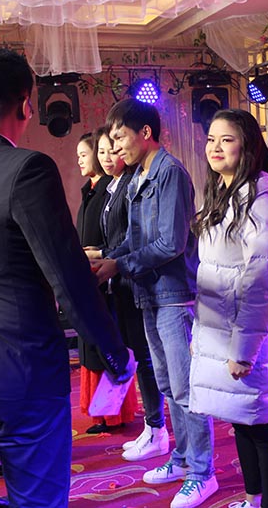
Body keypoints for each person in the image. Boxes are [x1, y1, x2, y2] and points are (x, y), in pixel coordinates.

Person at [0, 46, 134, 508]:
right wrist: (115, 353)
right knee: (37, 499)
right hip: (19, 369)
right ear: (26, 106)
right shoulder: (28, 169)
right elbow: (67, 276)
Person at [92, 98, 218, 508]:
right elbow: (134, 238)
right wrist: (109, 258)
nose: (115, 147)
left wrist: (119, 264)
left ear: (145, 133)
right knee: (167, 384)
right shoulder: (138, 176)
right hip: (149, 292)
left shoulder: (170, 173)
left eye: (120, 138)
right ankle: (181, 458)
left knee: (185, 388)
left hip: (174, 295)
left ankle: (203, 473)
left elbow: (170, 243)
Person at [189, 109, 268, 508]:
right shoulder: (224, 193)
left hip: (249, 336)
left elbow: (260, 281)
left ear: (248, 146)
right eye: (211, 139)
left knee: (261, 427)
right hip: (224, 332)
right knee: (242, 421)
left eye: (227, 139)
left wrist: (243, 349)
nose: (215, 147)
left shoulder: (262, 197)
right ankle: (253, 500)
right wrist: (203, 336)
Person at [84, 126, 168, 461]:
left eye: (115, 146)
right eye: (103, 150)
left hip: (136, 279)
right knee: (142, 357)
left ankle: (158, 428)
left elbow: (145, 239)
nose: (110, 155)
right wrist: (105, 256)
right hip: (121, 277)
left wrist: (107, 257)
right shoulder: (113, 186)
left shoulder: (146, 179)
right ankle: (153, 426)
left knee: (148, 359)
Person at [73, 131, 137, 434]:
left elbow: (121, 237)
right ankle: (103, 412)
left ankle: (115, 413)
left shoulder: (114, 190)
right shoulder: (96, 190)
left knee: (112, 347)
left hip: (113, 276)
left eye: (85, 154)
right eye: (98, 152)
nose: (104, 157)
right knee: (94, 347)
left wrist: (100, 254)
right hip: (97, 275)